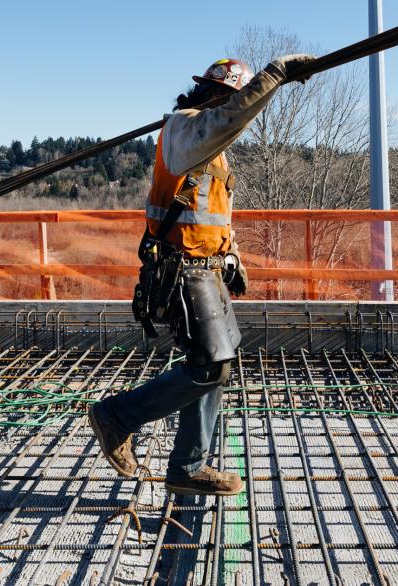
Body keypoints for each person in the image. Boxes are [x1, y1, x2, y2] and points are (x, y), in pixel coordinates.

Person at [88, 53, 315, 496]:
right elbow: (230, 118)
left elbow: (208, 214)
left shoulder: (209, 147)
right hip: (181, 269)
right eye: (229, 100)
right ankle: (118, 416)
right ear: (213, 95)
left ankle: (188, 466)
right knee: (209, 365)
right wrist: (275, 76)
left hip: (205, 267)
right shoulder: (184, 128)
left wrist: (231, 256)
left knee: (216, 363)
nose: (232, 111)